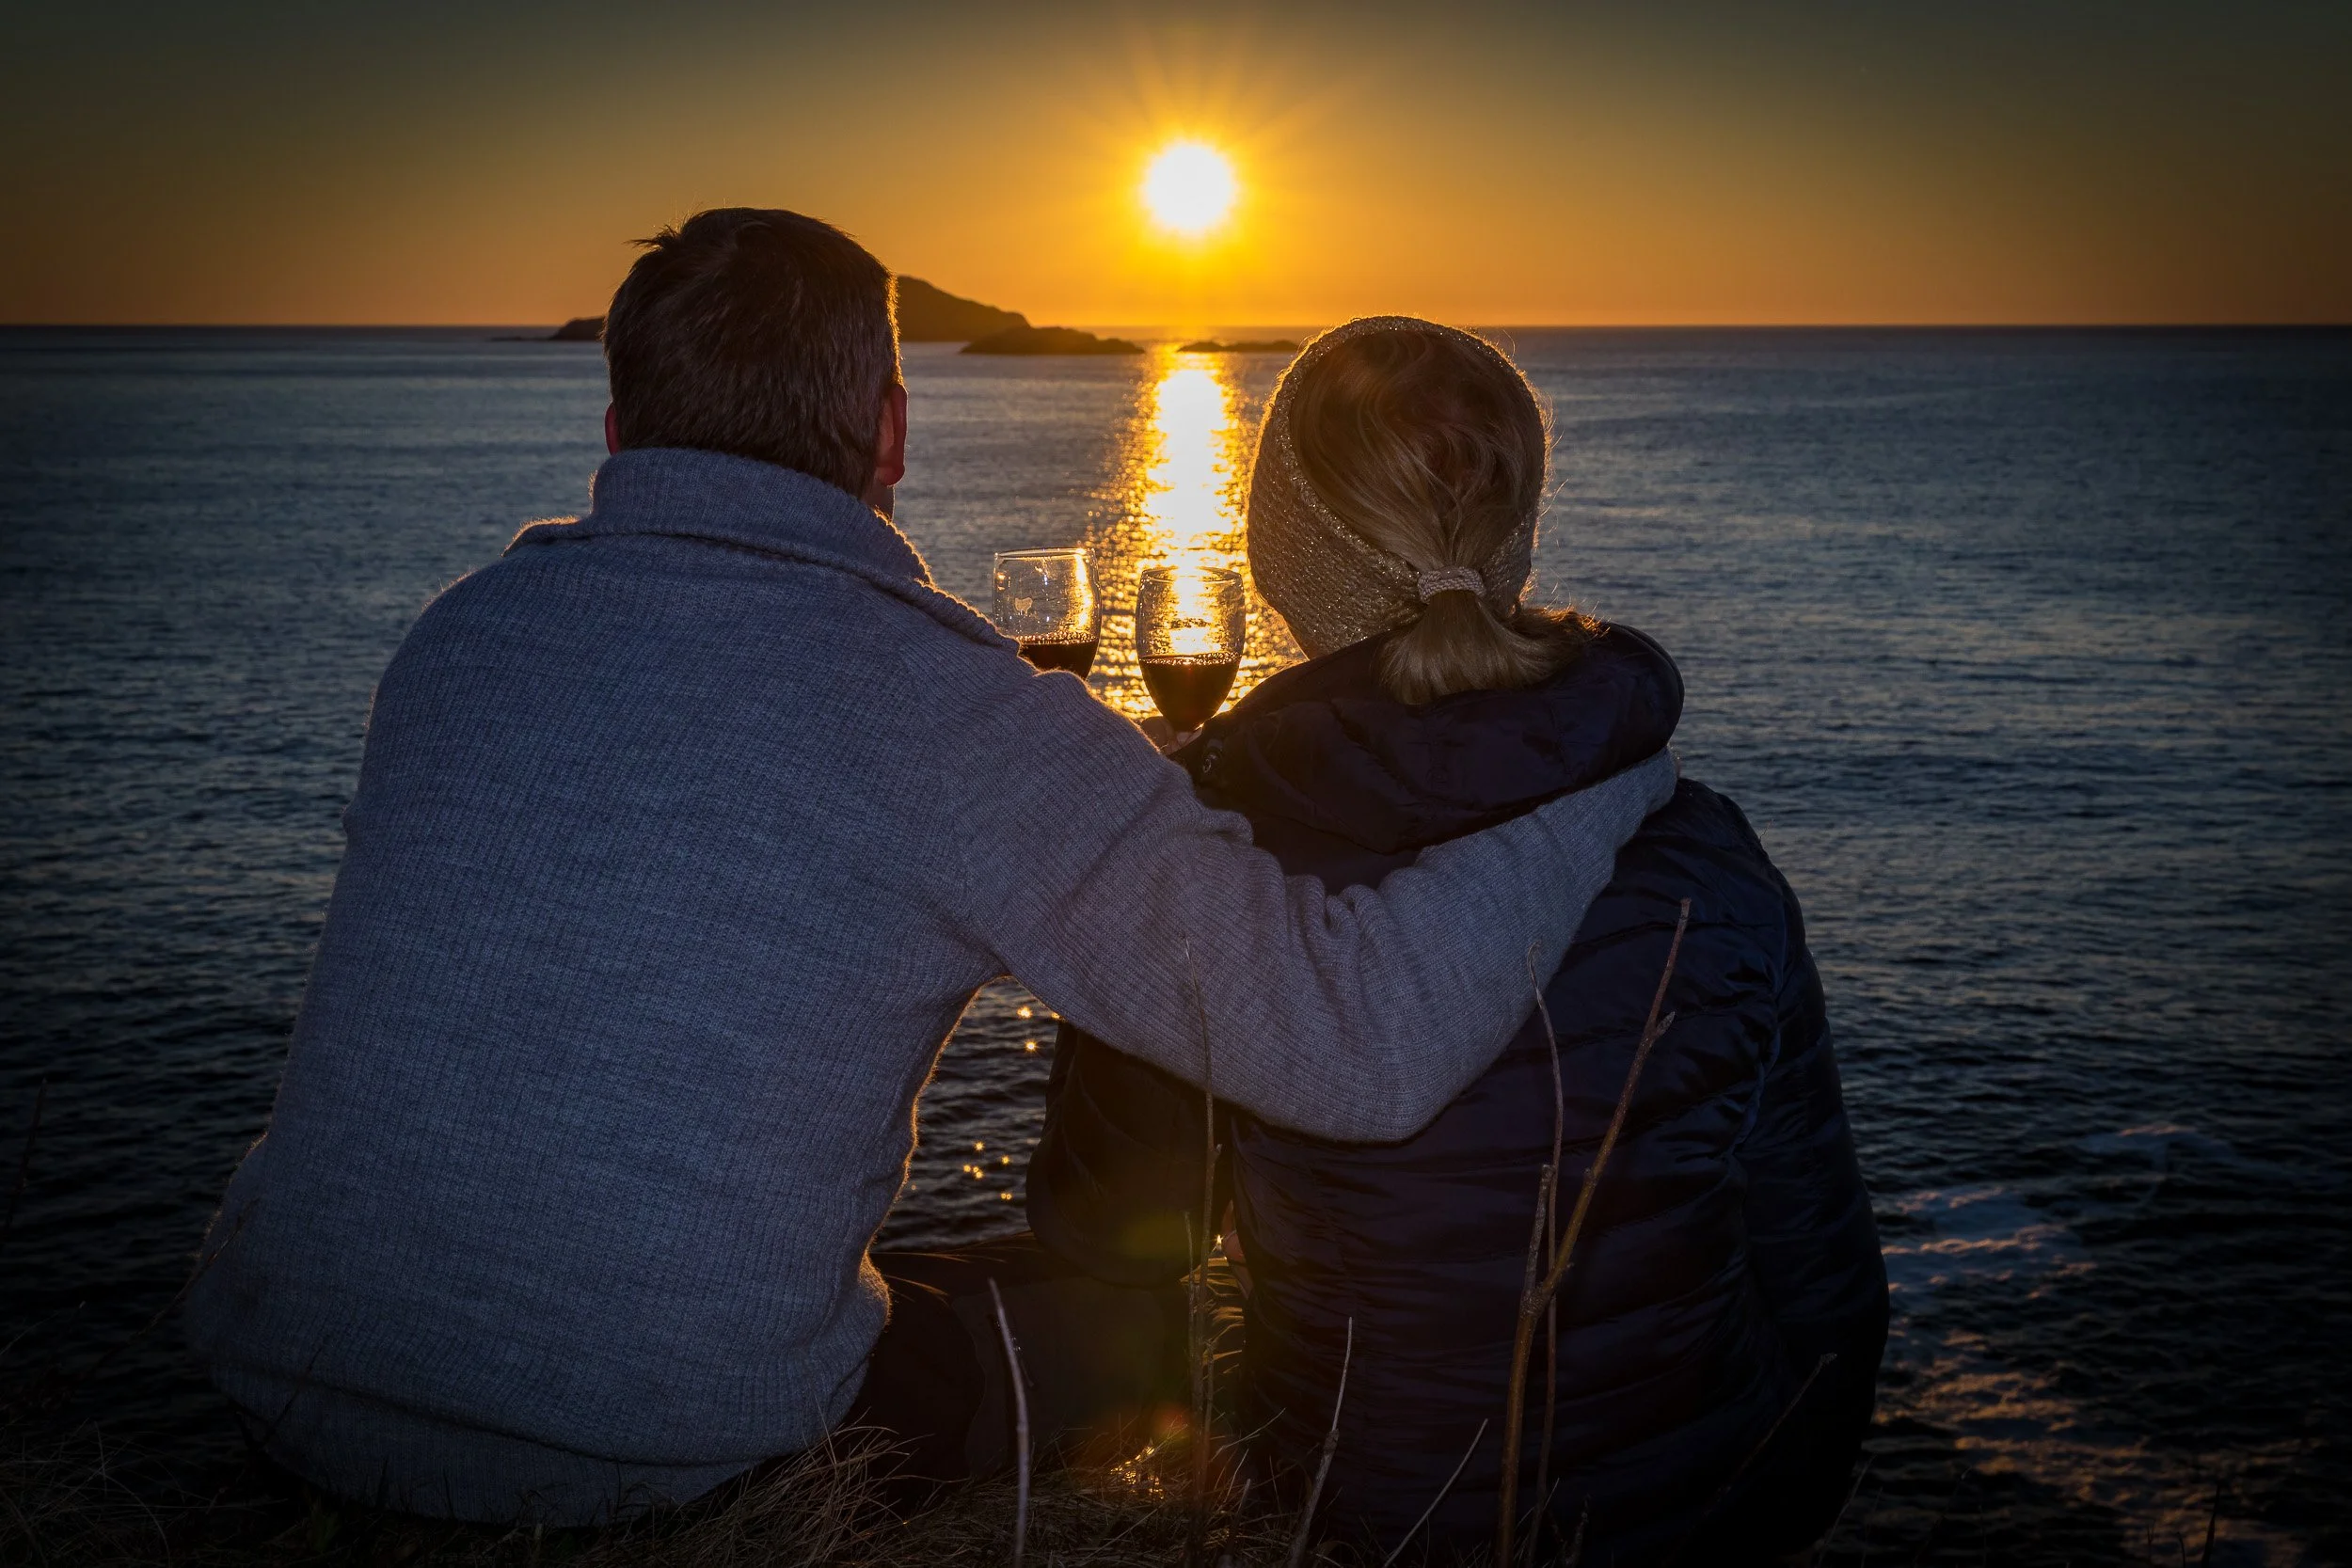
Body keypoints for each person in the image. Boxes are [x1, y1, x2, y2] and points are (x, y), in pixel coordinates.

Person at [180, 215, 1677, 1525]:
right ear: (891, 432)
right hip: (648, 1456)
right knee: (1130, 1320)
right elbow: (1363, 1047)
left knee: (923, 1270)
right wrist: (1599, 780)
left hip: (287, 1383)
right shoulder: (952, 711)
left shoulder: (460, 637)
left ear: (624, 427)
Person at [1029, 317, 1887, 1564]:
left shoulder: (1215, 864)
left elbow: (1112, 1238)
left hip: (1361, 1522)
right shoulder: (1706, 849)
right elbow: (1823, 1283)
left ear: (1276, 552)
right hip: (1706, 1510)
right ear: (1520, 536)